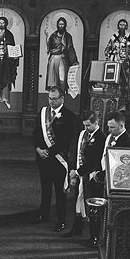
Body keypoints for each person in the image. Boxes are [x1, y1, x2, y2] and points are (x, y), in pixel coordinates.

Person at [34, 86, 77, 232]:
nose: (51, 101)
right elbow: (36, 134)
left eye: (54, 99)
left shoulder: (69, 116)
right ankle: (43, 214)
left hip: (59, 160)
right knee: (45, 189)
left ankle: (61, 221)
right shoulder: (43, 112)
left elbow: (65, 141)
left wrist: (49, 151)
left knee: (60, 192)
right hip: (43, 159)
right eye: (49, 98)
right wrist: (39, 149)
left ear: (62, 99)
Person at [69, 110, 105, 243]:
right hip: (80, 174)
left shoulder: (101, 138)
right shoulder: (83, 134)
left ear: (96, 123)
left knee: (92, 205)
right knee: (77, 200)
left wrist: (78, 172)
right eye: (84, 125)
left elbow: (94, 162)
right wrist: (74, 171)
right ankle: (77, 227)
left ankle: (94, 237)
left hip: (92, 177)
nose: (86, 128)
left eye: (88, 125)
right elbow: (75, 153)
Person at [0, 16, 20, 109]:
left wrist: (12, 54)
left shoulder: (9, 34)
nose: (1, 24)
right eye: (0, 22)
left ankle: (6, 99)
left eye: (3, 23)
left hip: (6, 61)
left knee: (6, 79)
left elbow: (12, 47)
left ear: (6, 24)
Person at [98, 111, 130, 189]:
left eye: (112, 127)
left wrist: (103, 174)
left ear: (121, 126)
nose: (109, 130)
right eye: (108, 127)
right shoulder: (110, 137)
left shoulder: (127, 142)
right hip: (106, 176)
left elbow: (122, 167)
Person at [103, 19, 130, 92]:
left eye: (124, 25)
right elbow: (106, 50)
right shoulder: (113, 38)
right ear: (118, 26)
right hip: (115, 64)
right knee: (114, 82)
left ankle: (124, 101)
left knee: (125, 83)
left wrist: (128, 59)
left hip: (126, 65)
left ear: (126, 27)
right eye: (121, 25)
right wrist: (113, 53)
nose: (122, 27)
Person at [45, 16, 79, 93]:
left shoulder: (67, 36)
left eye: (62, 24)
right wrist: (46, 38)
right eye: (59, 24)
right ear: (57, 25)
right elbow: (48, 48)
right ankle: (53, 97)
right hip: (53, 59)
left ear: (65, 25)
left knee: (62, 79)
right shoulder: (53, 36)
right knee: (52, 81)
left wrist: (74, 61)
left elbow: (70, 48)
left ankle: (61, 96)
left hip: (62, 59)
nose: (61, 26)